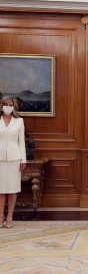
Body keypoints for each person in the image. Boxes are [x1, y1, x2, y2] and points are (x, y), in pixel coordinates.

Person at [0, 96, 26, 229]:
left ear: (13, 106)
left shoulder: (19, 121)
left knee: (12, 189)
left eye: (10, 105)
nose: (8, 107)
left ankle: (9, 216)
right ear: (1, 105)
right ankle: (0, 217)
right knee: (0, 190)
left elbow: (21, 142)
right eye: (5, 104)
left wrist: (23, 159)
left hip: (15, 158)